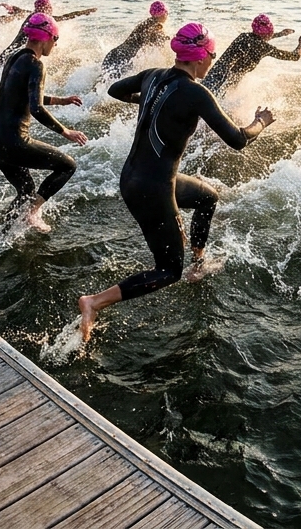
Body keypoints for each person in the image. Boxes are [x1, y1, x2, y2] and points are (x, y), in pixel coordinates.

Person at [77, 23, 273, 341]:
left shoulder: (153, 75)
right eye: (211, 54)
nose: (213, 59)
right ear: (198, 57)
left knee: (207, 197)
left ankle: (198, 262)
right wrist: (260, 122)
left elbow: (115, 90)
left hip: (134, 177)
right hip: (152, 188)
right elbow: (238, 140)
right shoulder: (196, 93)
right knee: (168, 271)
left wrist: (152, 102)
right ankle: (94, 302)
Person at [0, 12, 88, 231]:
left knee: (26, 188)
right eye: (56, 39)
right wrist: (65, 131)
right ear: (46, 38)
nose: (56, 45)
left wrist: (61, 101)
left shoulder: (15, 56)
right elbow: (36, 107)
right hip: (14, 142)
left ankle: (1, 233)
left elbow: (24, 94)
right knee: (68, 165)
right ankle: (32, 212)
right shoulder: (36, 65)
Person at [202, 14, 301, 96]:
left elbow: (257, 40)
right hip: (225, 85)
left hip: (212, 77)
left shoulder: (243, 37)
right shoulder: (264, 48)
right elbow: (294, 56)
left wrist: (280, 34)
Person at [0, 0, 97, 64]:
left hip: (15, 51)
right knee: (6, 57)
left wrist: (13, 8)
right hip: (18, 49)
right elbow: (64, 17)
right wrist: (83, 12)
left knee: (4, 58)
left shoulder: (35, 16)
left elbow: (22, 11)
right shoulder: (41, 21)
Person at [101, 0, 170, 79]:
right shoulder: (156, 27)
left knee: (104, 81)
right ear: (161, 14)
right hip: (124, 58)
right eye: (166, 12)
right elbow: (160, 46)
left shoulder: (145, 23)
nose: (167, 15)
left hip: (114, 54)